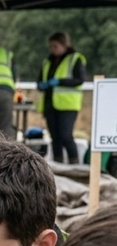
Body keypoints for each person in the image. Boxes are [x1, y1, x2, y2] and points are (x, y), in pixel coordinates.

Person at [36, 32, 87, 164]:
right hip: (50, 104)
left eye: (55, 46)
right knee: (55, 138)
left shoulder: (75, 59)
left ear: (64, 45)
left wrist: (60, 81)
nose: (53, 49)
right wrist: (42, 85)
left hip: (68, 105)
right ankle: (57, 165)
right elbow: (40, 80)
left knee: (66, 136)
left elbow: (79, 79)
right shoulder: (47, 61)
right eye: (51, 47)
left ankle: (74, 164)